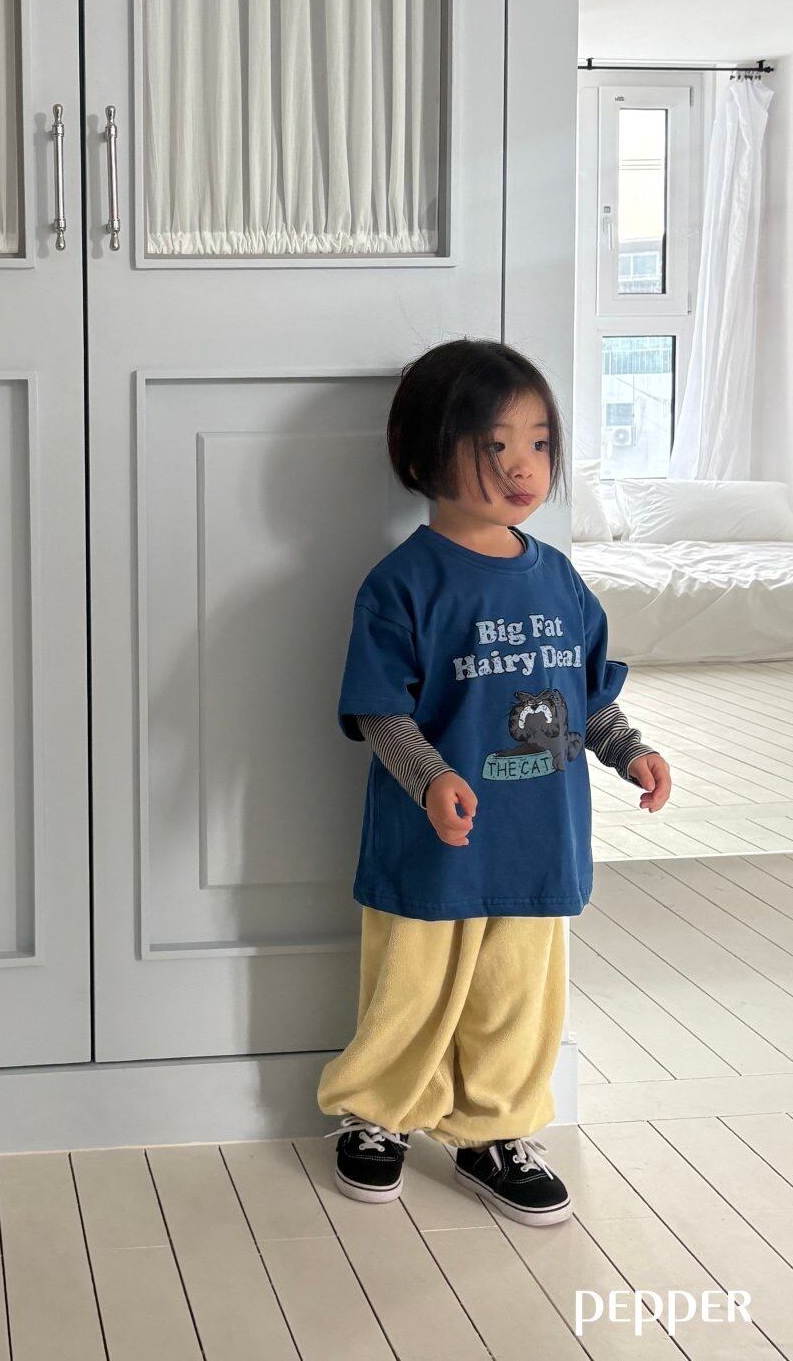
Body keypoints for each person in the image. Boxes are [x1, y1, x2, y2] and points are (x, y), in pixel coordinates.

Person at [317, 338, 672, 1226]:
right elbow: (380, 712)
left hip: (538, 840)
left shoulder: (558, 577)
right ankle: (377, 1114)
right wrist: (430, 777)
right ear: (423, 455)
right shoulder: (402, 583)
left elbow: (587, 695)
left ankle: (493, 1132)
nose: (524, 466)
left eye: (540, 443)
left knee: (519, 998)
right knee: (411, 989)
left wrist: (629, 750)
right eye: (495, 443)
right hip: (433, 844)